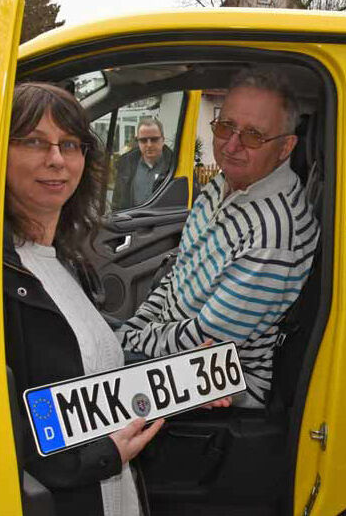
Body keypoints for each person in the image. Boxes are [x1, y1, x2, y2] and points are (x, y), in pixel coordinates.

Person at [2, 82, 164, 516]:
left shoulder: (64, 262)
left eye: (69, 144)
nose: (56, 159)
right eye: (34, 141)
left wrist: (184, 379)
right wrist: (100, 456)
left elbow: (93, 373)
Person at [118, 67, 319, 408]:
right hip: (175, 355)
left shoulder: (273, 233)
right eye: (225, 127)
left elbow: (207, 339)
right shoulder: (223, 183)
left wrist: (127, 342)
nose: (231, 145)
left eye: (254, 135)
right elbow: (178, 274)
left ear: (286, 147)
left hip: (221, 390)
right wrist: (133, 330)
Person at [112, 117, 177, 210]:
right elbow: (117, 203)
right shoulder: (126, 164)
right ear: (138, 141)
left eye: (154, 139)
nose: (149, 145)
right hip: (132, 222)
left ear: (163, 140)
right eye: (143, 140)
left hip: (163, 223)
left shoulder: (176, 165)